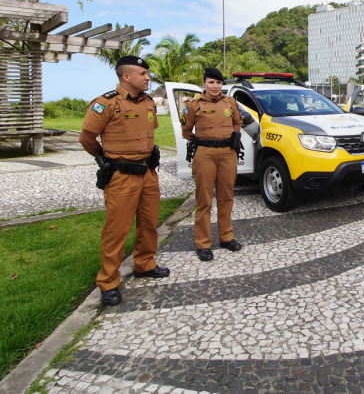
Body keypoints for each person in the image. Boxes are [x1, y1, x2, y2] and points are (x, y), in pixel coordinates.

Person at [79, 55, 170, 306]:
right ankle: (108, 282)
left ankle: (144, 264)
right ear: (126, 76)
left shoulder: (149, 102)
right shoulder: (105, 103)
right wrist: (104, 159)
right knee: (116, 231)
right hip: (121, 176)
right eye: (143, 74)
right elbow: (86, 138)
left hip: (148, 173)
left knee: (149, 224)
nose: (148, 78)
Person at [181, 67, 243, 261]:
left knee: (227, 196)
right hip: (204, 154)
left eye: (218, 83)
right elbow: (186, 131)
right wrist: (202, 141)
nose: (215, 86)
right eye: (211, 82)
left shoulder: (230, 102)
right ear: (204, 83)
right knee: (204, 199)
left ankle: (226, 237)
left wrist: (232, 137)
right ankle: (203, 243)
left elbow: (237, 123)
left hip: (227, 153)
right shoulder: (193, 105)